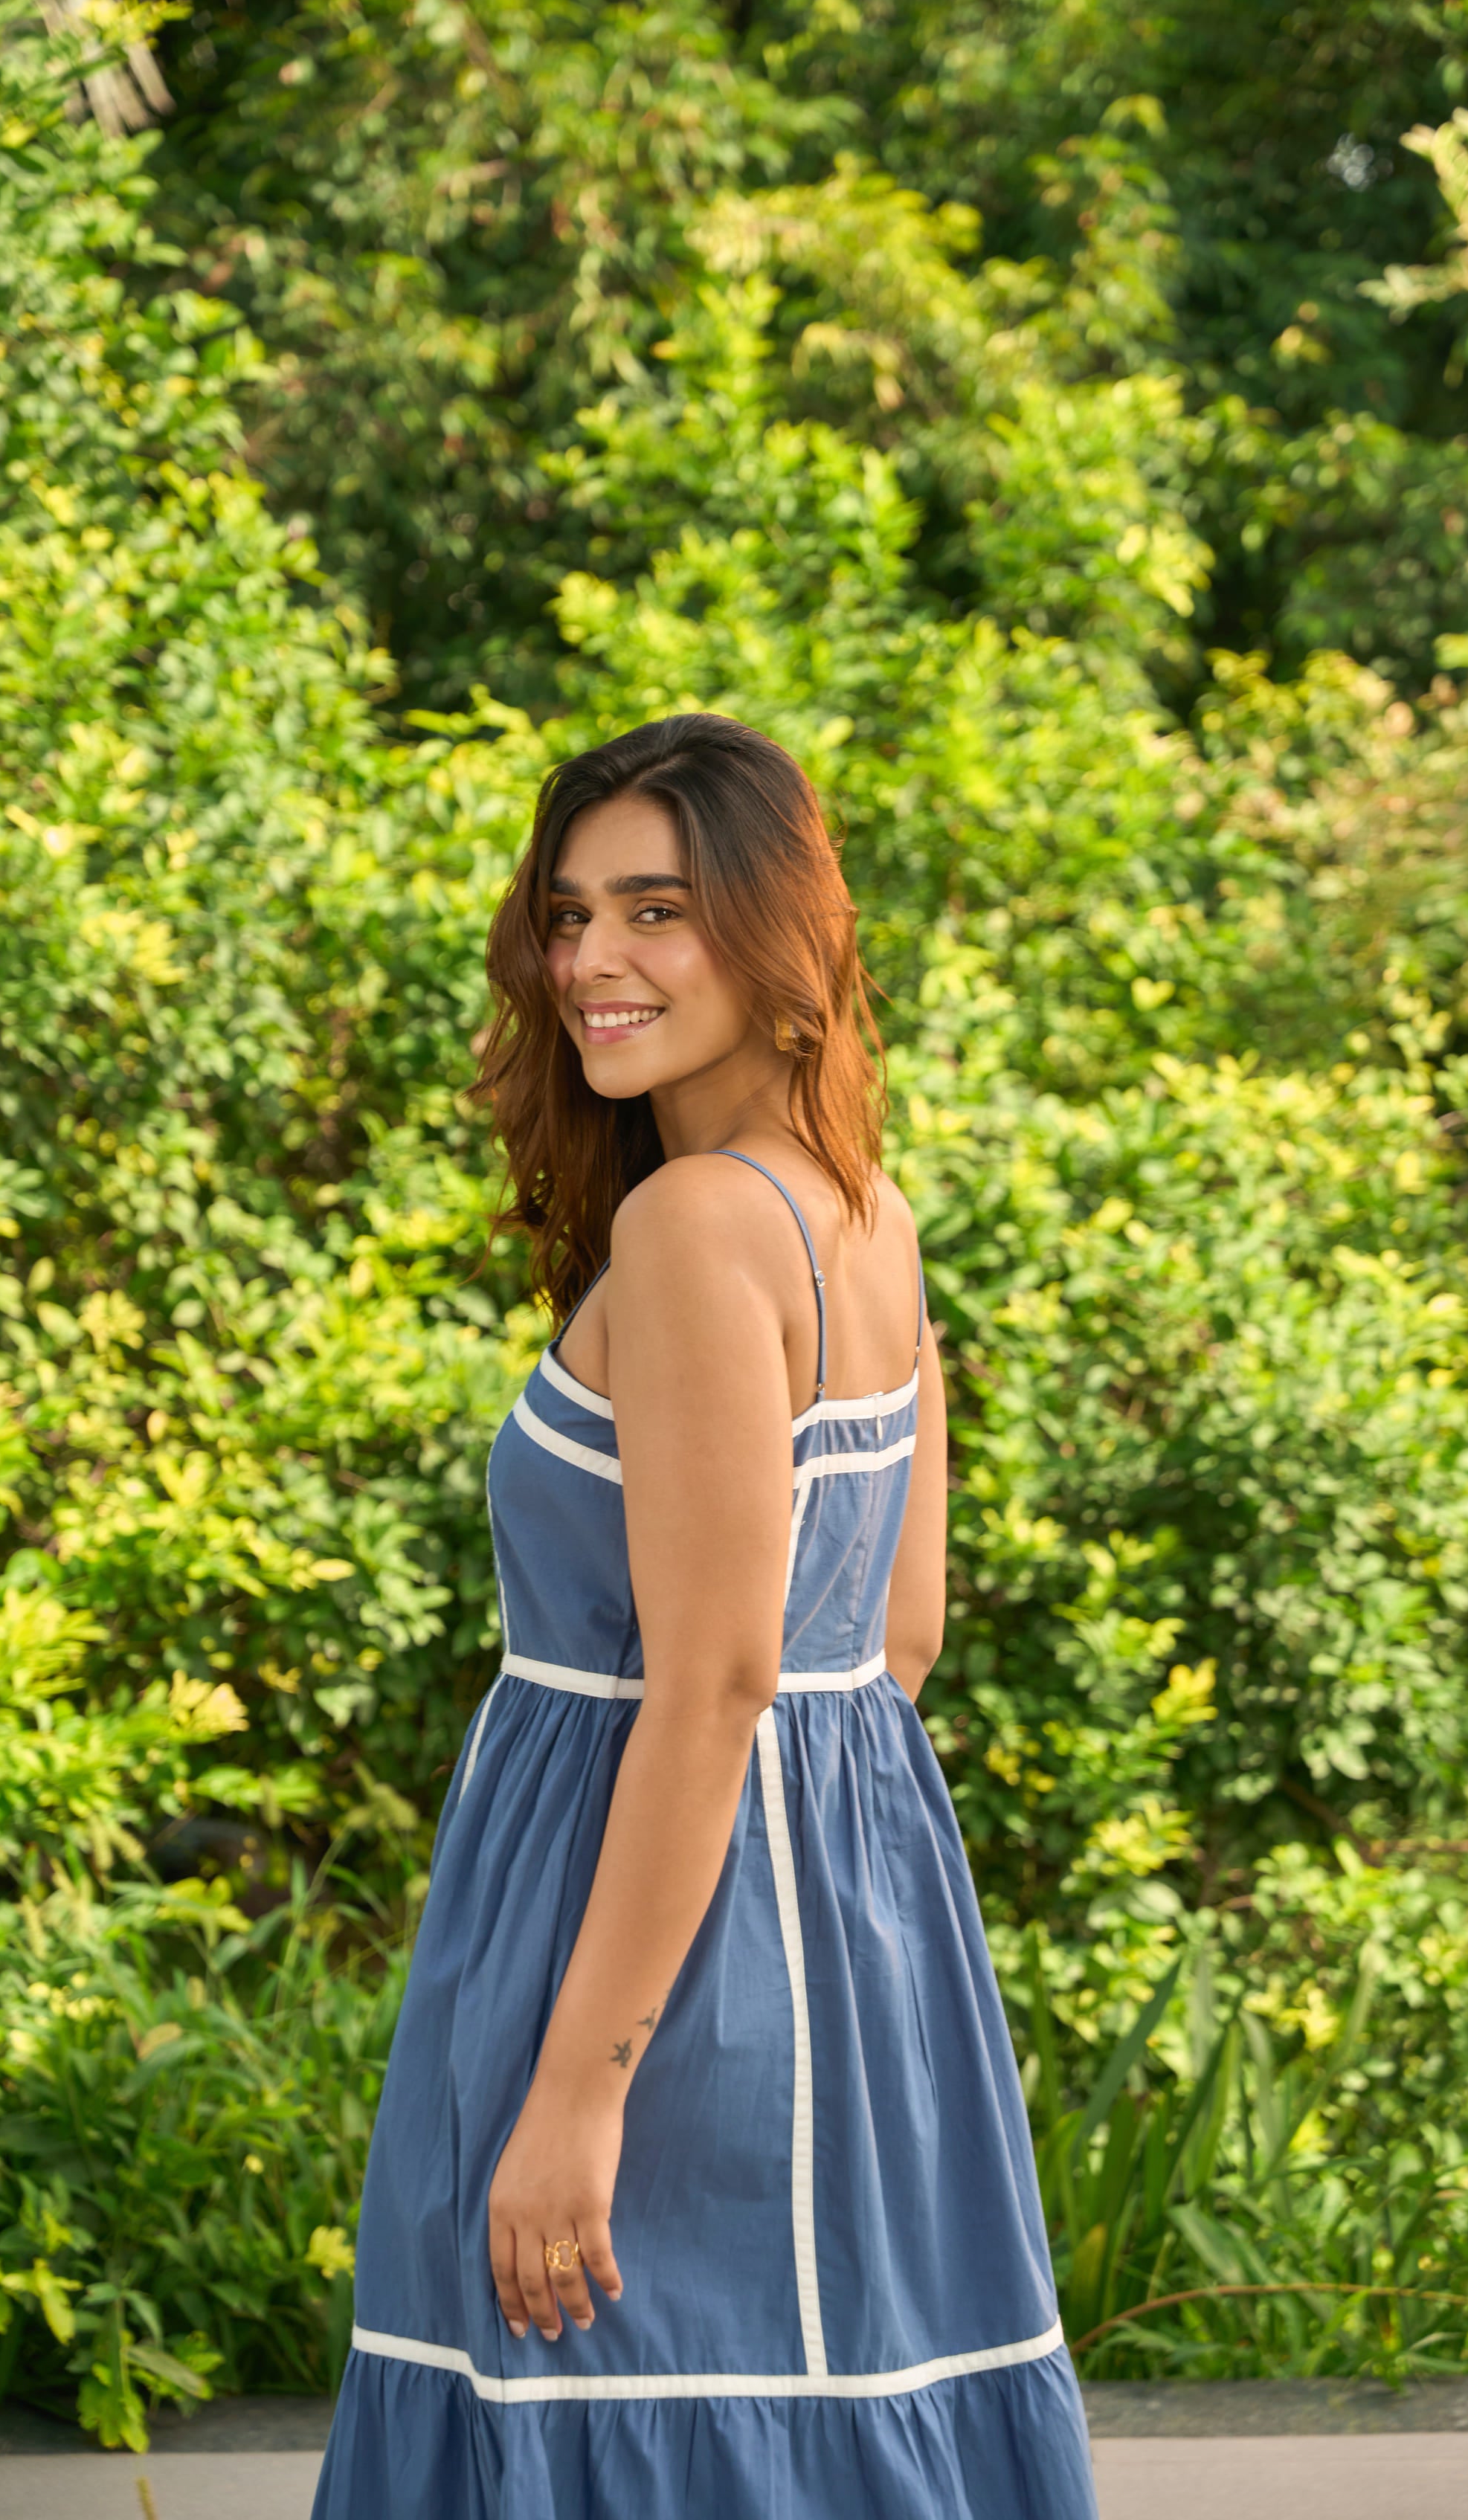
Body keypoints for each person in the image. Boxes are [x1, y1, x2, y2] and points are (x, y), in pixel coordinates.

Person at [310, 713, 1098, 2518]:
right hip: (846, 1942)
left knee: (599, 2428)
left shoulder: (688, 1230)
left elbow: (717, 1680)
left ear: (775, 927)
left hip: (628, 1957)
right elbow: (888, 1644)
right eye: (569, 913)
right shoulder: (866, 1213)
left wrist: (581, 2087)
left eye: (655, 910)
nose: (591, 960)